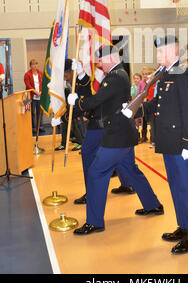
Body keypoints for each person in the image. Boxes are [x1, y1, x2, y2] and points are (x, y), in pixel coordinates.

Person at [67, 45, 162, 234]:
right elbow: (103, 102)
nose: (99, 63)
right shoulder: (119, 74)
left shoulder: (115, 77)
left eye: (101, 59)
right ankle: (153, 204)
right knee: (131, 170)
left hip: (117, 135)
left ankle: (94, 222)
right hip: (124, 133)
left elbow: (97, 100)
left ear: (110, 57)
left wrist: (77, 102)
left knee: (96, 173)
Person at [131, 35, 188, 255]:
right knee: (175, 185)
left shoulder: (184, 74)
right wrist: (136, 109)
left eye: (162, 51)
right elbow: (158, 104)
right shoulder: (166, 74)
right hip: (169, 141)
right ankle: (184, 225)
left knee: (186, 186)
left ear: (174, 51)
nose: (158, 55)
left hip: (182, 143)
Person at [53, 59, 89, 152]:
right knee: (67, 125)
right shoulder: (64, 82)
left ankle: (83, 144)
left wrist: (62, 118)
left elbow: (81, 105)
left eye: (66, 72)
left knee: (79, 125)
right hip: (69, 109)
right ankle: (67, 143)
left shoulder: (80, 81)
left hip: (81, 112)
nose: (64, 75)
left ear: (72, 71)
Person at [24, 59, 44, 134]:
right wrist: (35, 91)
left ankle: (40, 126)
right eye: (33, 64)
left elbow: (43, 83)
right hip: (31, 96)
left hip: (39, 95)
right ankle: (33, 127)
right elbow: (28, 85)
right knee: (32, 112)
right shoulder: (27, 74)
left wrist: (40, 92)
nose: (35, 66)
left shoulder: (40, 73)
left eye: (36, 64)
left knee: (40, 112)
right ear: (30, 66)